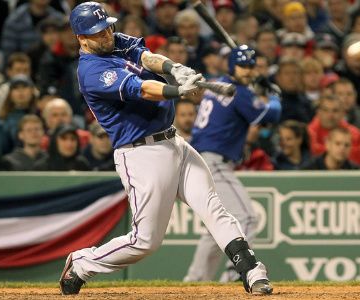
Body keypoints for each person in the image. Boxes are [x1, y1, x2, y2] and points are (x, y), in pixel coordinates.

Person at [60, 2, 273, 296]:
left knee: (214, 207)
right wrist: (178, 89)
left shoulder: (113, 42)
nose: (107, 34)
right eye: (98, 32)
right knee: (144, 242)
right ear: (81, 38)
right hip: (141, 154)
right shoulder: (92, 71)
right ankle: (82, 264)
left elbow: (146, 58)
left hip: (174, 142)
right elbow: (143, 89)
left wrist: (176, 68)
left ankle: (251, 271)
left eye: (108, 26)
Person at [185, 45, 281, 283]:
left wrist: (256, 91)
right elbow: (270, 116)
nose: (247, 71)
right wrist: (274, 96)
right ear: (232, 66)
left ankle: (194, 281)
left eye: (250, 66)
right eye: (242, 66)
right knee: (246, 217)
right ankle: (237, 273)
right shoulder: (237, 91)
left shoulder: (221, 85)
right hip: (213, 161)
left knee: (216, 227)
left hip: (199, 159)